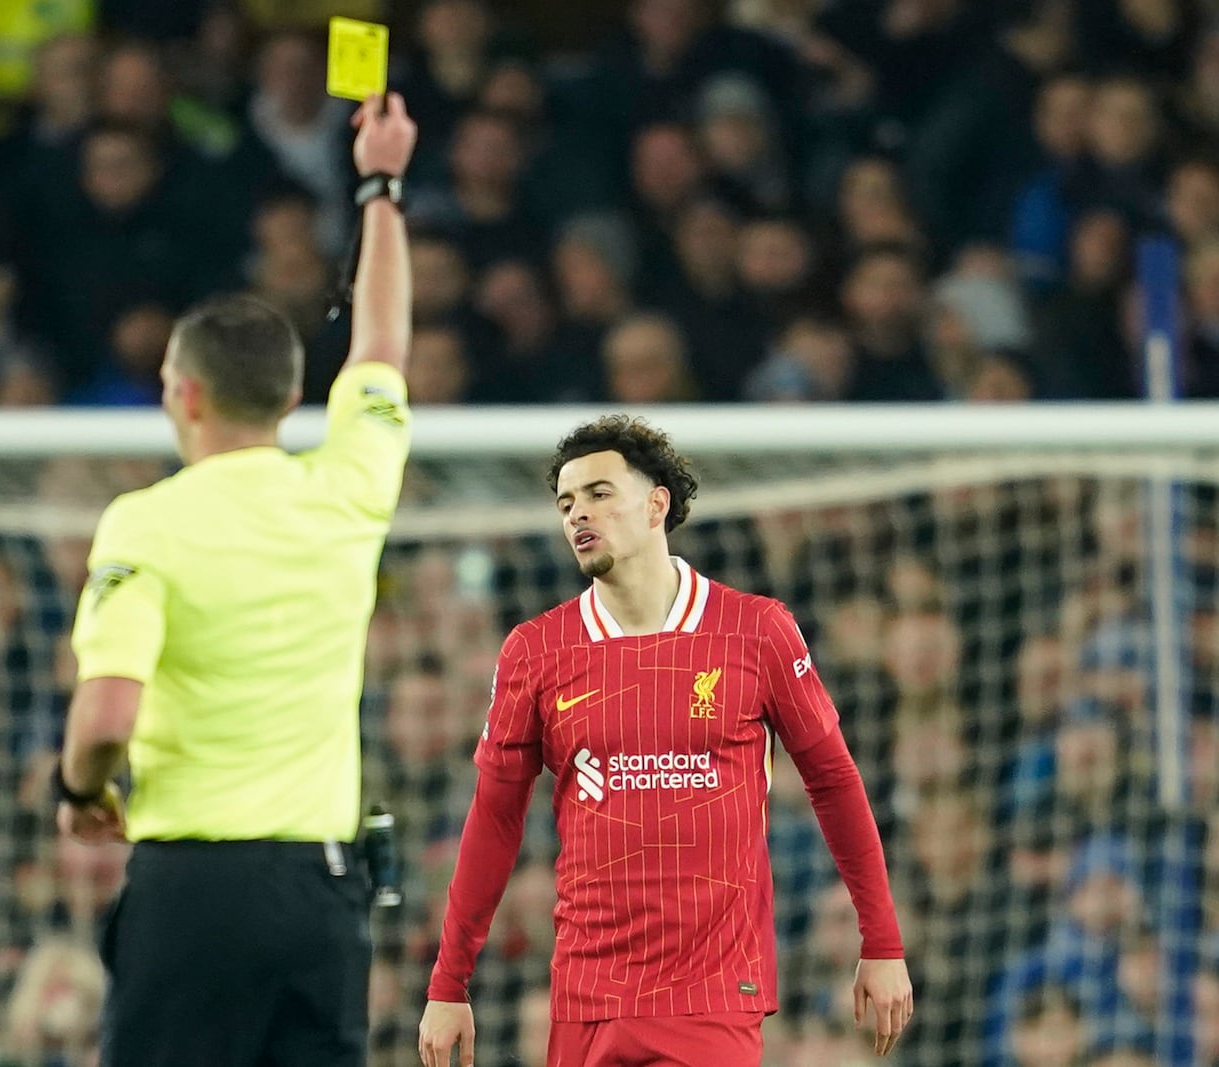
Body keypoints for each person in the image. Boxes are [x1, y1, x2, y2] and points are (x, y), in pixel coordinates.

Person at [52, 93, 419, 1067]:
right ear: (295, 396)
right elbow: (381, 343)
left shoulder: (147, 521)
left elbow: (103, 721)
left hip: (193, 887)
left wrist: (78, 786)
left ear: (182, 391)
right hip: (320, 886)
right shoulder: (347, 488)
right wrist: (380, 185)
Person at [418, 415, 914, 1067]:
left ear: (658, 503)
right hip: (586, 995)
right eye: (566, 503)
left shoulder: (755, 631)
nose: (578, 514)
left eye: (599, 492)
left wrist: (881, 940)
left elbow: (834, 781)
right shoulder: (536, 650)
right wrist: (449, 981)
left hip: (709, 996)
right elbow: (495, 815)